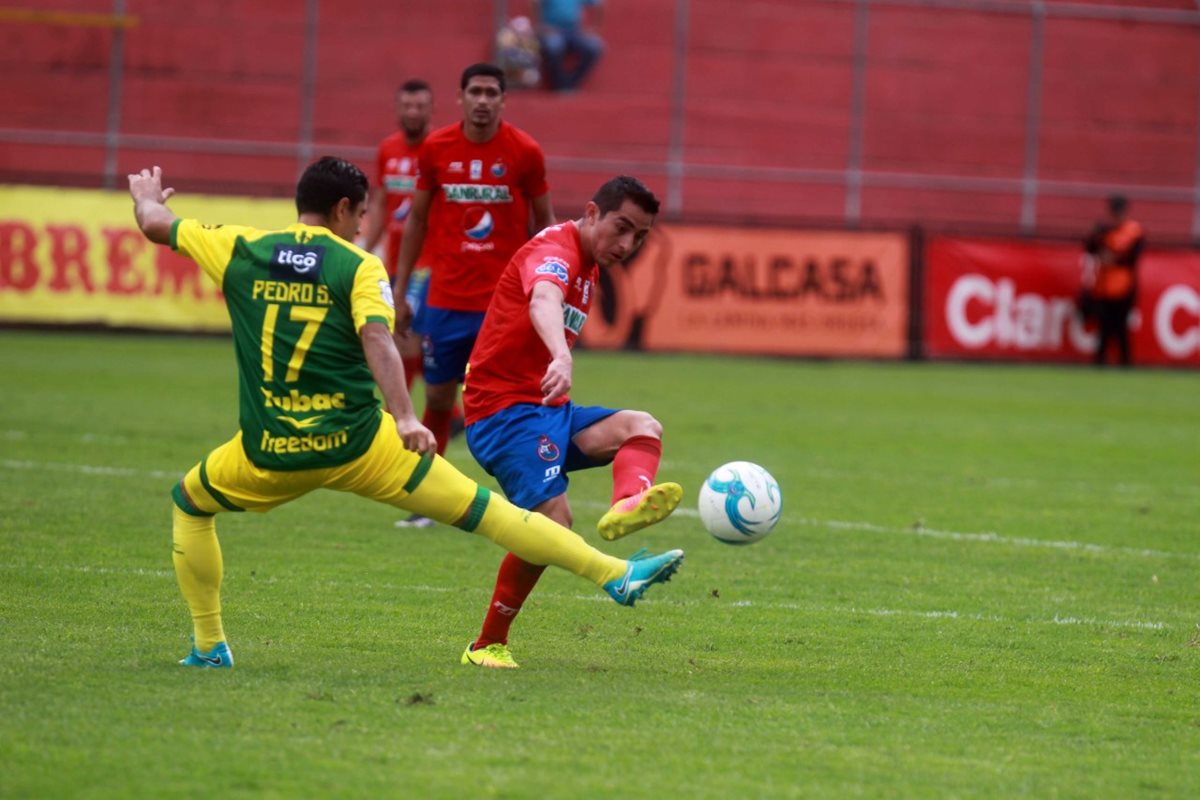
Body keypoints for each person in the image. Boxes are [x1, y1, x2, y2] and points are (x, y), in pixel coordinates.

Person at [126, 159, 684, 669]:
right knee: (493, 515)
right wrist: (405, 417)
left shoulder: (240, 246)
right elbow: (378, 338)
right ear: (345, 211)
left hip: (268, 447)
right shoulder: (359, 266)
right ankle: (612, 575)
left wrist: (148, 198)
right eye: (364, 213)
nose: (364, 224)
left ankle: (208, 647)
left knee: (189, 504)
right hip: (365, 446)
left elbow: (158, 225)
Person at [459, 176, 683, 669]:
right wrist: (560, 356)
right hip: (503, 413)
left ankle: (627, 504)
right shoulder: (556, 250)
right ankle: (487, 644)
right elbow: (543, 298)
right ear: (591, 213)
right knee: (553, 524)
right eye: (622, 228)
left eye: (640, 236)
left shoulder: (592, 264)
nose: (627, 244)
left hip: (546, 409)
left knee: (641, 427)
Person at [391, 62, 554, 468]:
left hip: (503, 305)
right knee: (439, 401)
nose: (482, 101)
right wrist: (400, 288)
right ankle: (426, 497)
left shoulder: (525, 151)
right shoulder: (436, 149)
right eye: (475, 92)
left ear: (503, 100)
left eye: (491, 93)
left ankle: (528, 491)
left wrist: (547, 285)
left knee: (511, 401)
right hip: (445, 301)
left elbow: (544, 224)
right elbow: (417, 221)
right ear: (460, 98)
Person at [358, 78, 463, 528]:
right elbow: (383, 203)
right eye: (406, 104)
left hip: (432, 266)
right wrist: (365, 247)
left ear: (432, 107)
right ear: (398, 108)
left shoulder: (440, 150)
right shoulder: (388, 150)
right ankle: (443, 415)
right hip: (397, 265)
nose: (413, 111)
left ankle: (406, 419)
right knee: (404, 342)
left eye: (421, 104)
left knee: (406, 340)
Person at [1081, 194, 1145, 366]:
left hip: (1124, 287)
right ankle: (1100, 362)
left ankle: (1125, 362)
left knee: (1121, 327)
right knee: (1103, 327)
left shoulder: (1133, 231)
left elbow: (1133, 257)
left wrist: (1114, 259)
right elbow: (1090, 249)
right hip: (1103, 286)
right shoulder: (1104, 231)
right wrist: (1092, 235)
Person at [534, 0, 604, 92]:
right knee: (553, 46)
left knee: (595, 46)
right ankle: (560, 84)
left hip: (574, 31)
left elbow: (599, 4)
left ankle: (571, 83)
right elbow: (534, 3)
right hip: (552, 30)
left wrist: (594, 27)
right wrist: (540, 25)